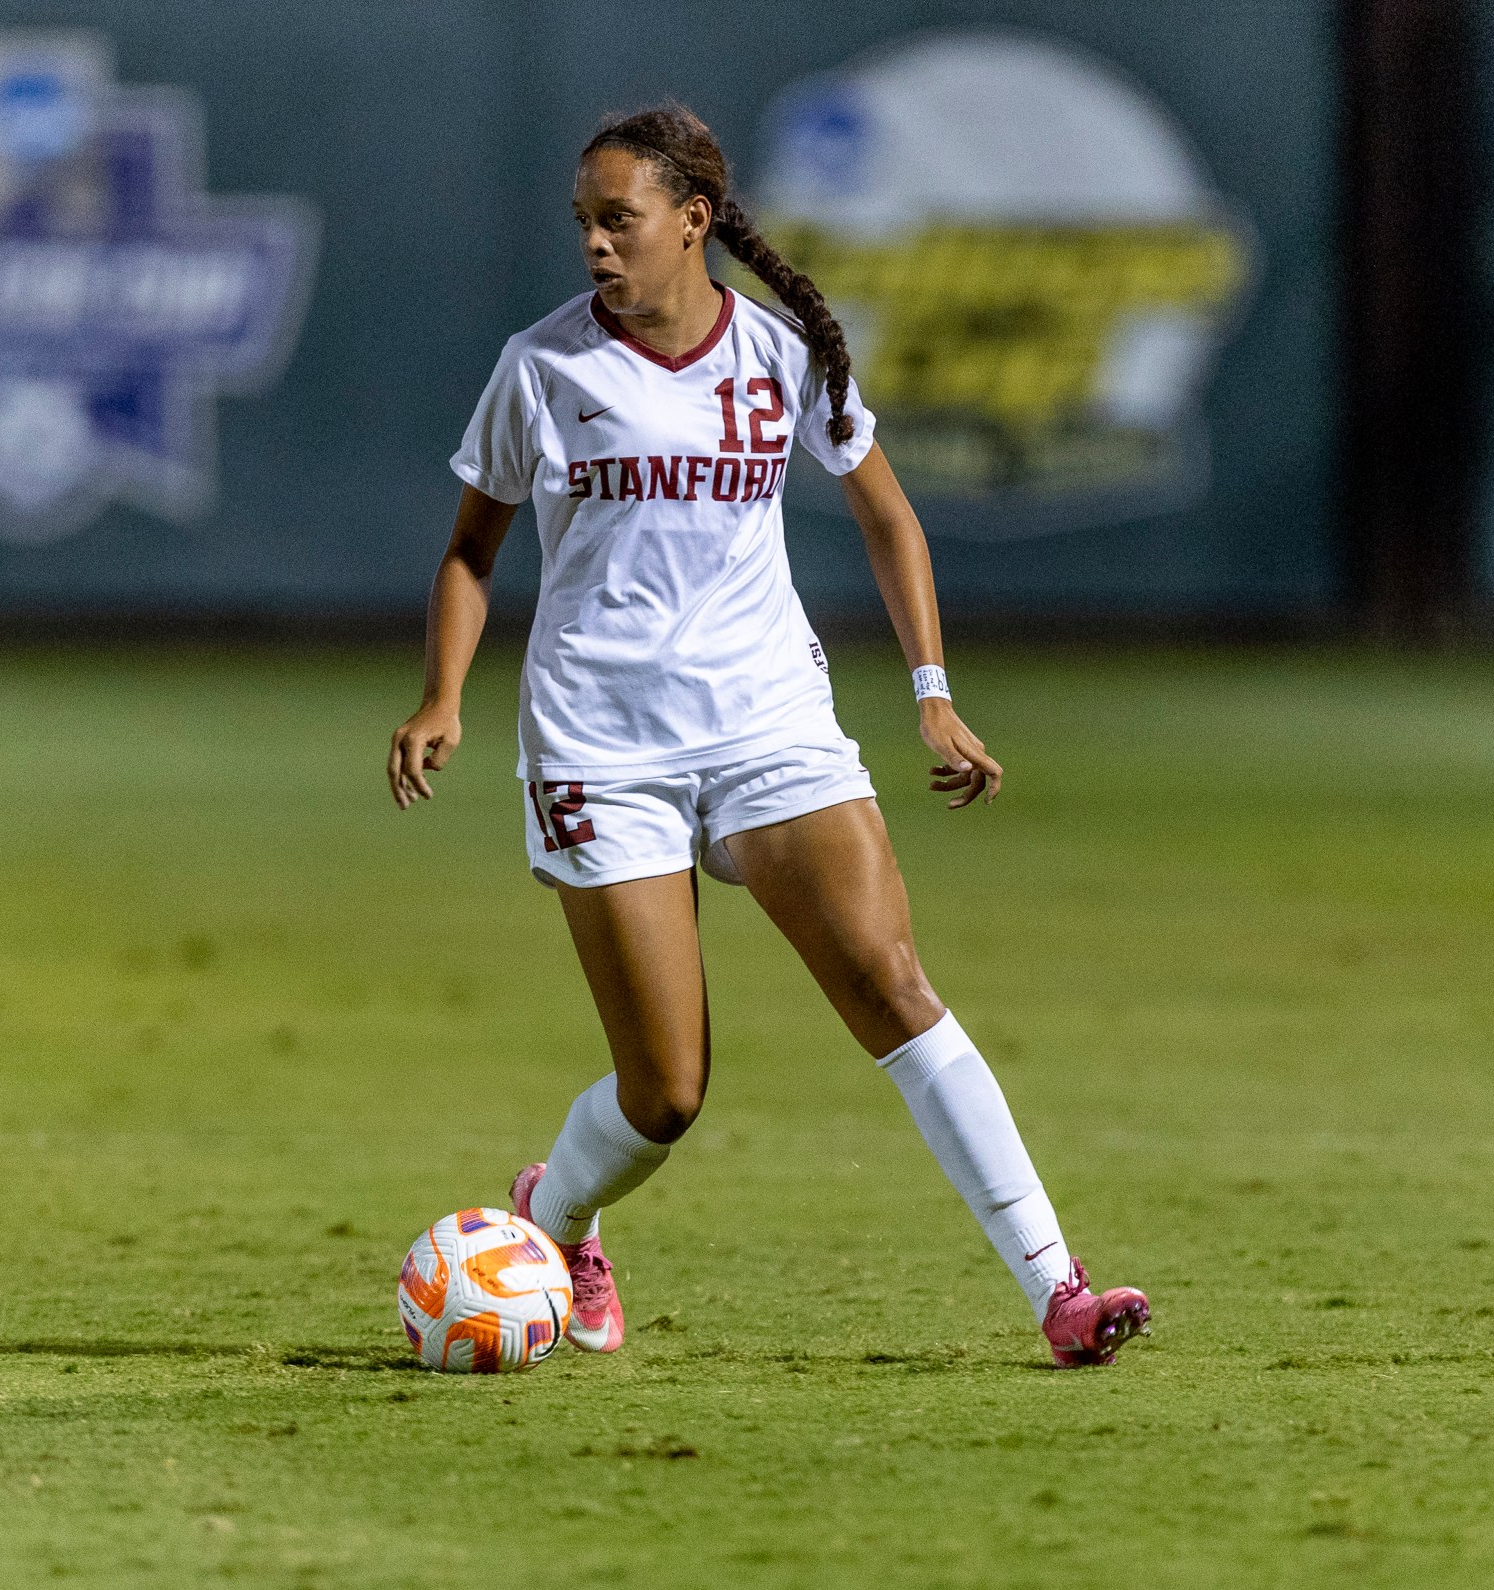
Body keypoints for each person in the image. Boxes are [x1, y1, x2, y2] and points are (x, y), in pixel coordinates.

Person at [387, 103, 1148, 1368]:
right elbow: (472, 550)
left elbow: (889, 519)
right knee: (666, 1093)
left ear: (692, 222)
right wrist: (440, 697)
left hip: (765, 722)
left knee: (890, 985)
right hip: (598, 741)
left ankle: (1058, 1291)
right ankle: (556, 1216)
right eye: (580, 222)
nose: (592, 244)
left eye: (615, 220)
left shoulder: (784, 355)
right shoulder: (543, 367)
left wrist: (931, 692)